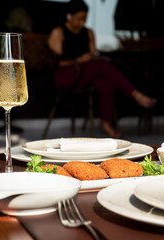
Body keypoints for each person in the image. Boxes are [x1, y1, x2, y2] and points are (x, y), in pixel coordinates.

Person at [48, 0, 156, 138]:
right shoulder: (59, 32)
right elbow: (58, 62)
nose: (82, 23)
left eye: (85, 19)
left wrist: (91, 57)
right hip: (67, 74)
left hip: (87, 73)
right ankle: (137, 95)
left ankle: (106, 123)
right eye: (79, 19)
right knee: (102, 65)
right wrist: (79, 60)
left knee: (106, 84)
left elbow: (94, 54)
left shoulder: (88, 33)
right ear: (69, 16)